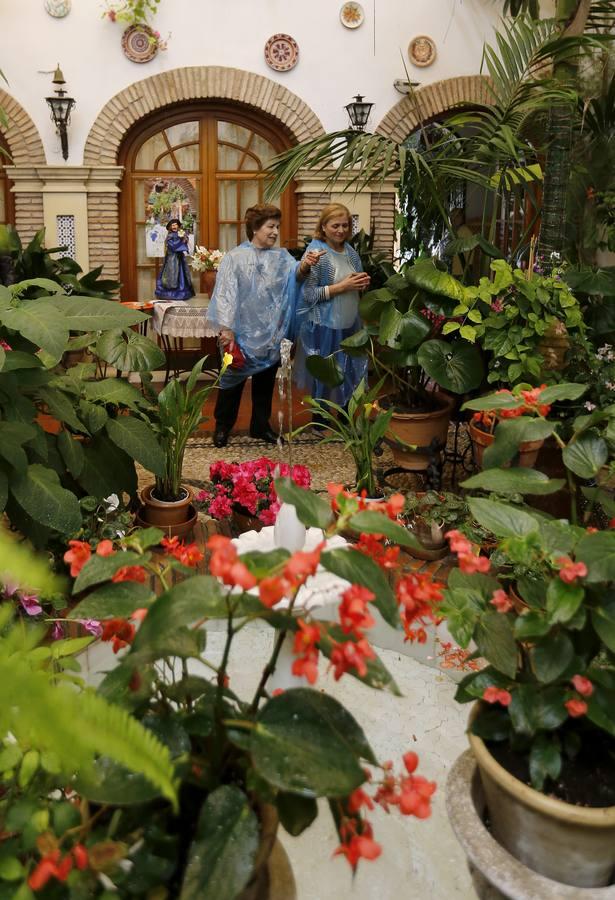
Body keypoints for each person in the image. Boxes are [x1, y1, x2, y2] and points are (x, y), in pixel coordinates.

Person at [205, 204, 323, 447]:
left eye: (277, 226)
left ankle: (260, 426)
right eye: (270, 226)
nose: (275, 231)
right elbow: (226, 294)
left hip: (271, 333)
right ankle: (222, 426)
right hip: (240, 334)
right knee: (231, 382)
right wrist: (226, 330)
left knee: (265, 382)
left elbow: (296, 276)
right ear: (255, 228)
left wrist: (306, 264)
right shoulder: (235, 258)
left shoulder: (282, 257)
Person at [294, 203, 370, 413]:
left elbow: (356, 282)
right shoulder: (317, 253)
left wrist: (362, 283)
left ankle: (345, 414)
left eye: (345, 225)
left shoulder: (351, 252)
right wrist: (341, 287)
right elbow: (308, 294)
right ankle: (321, 418)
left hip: (351, 322)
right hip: (324, 325)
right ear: (324, 227)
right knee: (326, 375)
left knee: (350, 370)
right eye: (335, 225)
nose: (341, 230)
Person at [154, 218, 195, 301]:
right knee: (172, 273)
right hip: (172, 257)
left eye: (176, 225)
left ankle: (182, 290)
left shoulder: (180, 233)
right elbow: (172, 246)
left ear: (178, 226)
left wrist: (185, 239)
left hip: (180, 257)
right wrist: (182, 242)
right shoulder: (170, 236)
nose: (174, 226)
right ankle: (171, 290)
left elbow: (184, 242)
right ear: (170, 227)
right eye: (172, 225)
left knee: (182, 273)